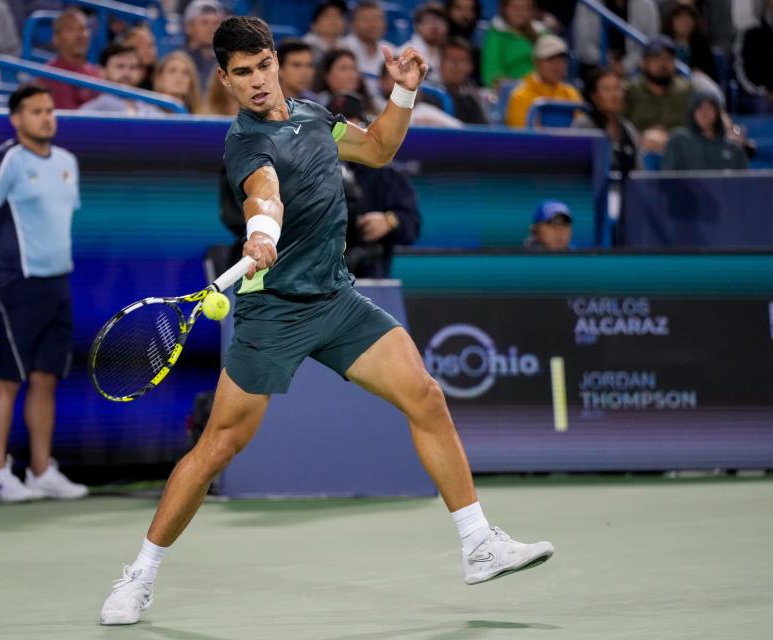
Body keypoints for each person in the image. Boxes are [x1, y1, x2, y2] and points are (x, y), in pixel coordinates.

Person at [98, 16, 553, 626]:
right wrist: (261, 232)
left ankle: (478, 543)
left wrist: (403, 93)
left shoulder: (315, 116)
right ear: (226, 82)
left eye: (263, 66)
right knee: (219, 447)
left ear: (275, 60)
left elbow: (379, 148)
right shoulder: (244, 142)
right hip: (273, 313)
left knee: (425, 395)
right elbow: (264, 194)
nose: (257, 82)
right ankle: (139, 575)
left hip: (336, 300)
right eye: (242, 74)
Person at [0, 84, 89, 504]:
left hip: (59, 285)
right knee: (9, 379)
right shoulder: (6, 160)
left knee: (44, 379)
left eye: (50, 110)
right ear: (15, 119)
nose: (46, 118)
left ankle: (40, 471)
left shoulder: (69, 161)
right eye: (36, 111)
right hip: (16, 283)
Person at [327, 91, 422, 278]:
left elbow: (413, 223)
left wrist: (389, 221)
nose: (345, 135)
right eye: (338, 129)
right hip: (322, 274)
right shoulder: (311, 167)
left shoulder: (384, 172)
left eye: (352, 126)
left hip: (369, 274)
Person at [624, 35, 692, 152]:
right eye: (657, 58)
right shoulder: (630, 90)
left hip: (682, 150)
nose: (663, 64)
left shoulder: (686, 89)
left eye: (668, 59)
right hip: (639, 149)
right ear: (644, 63)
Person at [573, 67, 641, 174]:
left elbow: (639, 174)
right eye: (607, 89)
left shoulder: (629, 130)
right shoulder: (583, 127)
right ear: (594, 96)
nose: (615, 95)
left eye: (617, 88)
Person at [505, 34, 581, 128]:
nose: (557, 66)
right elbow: (522, 137)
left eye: (561, 59)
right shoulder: (520, 96)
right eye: (550, 59)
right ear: (536, 62)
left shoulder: (571, 94)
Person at [661, 90, 749, 170]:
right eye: (699, 108)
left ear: (717, 113)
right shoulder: (679, 140)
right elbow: (668, 177)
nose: (704, 113)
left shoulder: (733, 148)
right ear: (692, 112)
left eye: (709, 108)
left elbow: (744, 183)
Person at [572, 0, 659, 79]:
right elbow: (583, 47)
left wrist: (625, 65)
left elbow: (651, 45)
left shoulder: (646, 5)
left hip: (634, 69)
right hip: (596, 66)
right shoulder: (588, 3)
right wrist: (607, 62)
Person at [79, 43, 164, 115]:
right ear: (103, 71)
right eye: (120, 66)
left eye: (133, 67)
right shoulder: (93, 109)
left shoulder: (150, 108)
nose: (127, 72)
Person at [41, 8, 100, 109]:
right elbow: (67, 119)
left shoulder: (95, 73)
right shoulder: (50, 74)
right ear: (56, 38)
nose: (79, 35)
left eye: (82, 28)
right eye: (70, 29)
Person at [481, 0, 548, 88]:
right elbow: (491, 70)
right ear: (505, 9)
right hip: (508, 90)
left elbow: (551, 64)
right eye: (514, 7)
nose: (519, 12)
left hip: (540, 88)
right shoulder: (496, 34)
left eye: (524, 8)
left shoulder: (541, 32)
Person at [339, 1, 394, 96]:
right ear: (353, 24)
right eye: (366, 19)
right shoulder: (342, 48)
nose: (373, 24)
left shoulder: (391, 50)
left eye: (377, 19)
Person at [735, 0, 773, 110]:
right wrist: (764, 93)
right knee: (761, 106)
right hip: (758, 95)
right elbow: (742, 70)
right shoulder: (750, 32)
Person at [440, 37, 488, 124]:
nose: (456, 66)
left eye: (462, 61)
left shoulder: (476, 99)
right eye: (451, 60)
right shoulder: (429, 93)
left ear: (471, 67)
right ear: (440, 62)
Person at [180, 0, 224, 92]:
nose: (211, 28)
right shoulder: (178, 60)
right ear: (189, 27)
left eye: (215, 23)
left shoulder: (223, 60)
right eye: (204, 22)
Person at [314, 48, 374, 114]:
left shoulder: (370, 105)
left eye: (353, 68)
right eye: (343, 69)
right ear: (327, 75)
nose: (351, 74)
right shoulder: (317, 106)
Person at [400, 2, 448, 82]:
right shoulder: (405, 52)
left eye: (439, 21)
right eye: (429, 21)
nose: (435, 26)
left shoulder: (446, 53)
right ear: (417, 26)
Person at [123, 22, 157, 90]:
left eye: (150, 45)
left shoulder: (159, 76)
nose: (147, 50)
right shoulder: (117, 72)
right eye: (139, 44)